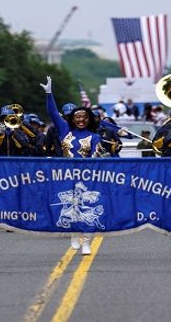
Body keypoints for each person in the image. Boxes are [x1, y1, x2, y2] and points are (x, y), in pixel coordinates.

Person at [41, 76, 105, 255]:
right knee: (69, 206)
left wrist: (90, 169)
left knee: (87, 207)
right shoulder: (65, 131)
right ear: (72, 119)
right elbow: (53, 113)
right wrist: (48, 93)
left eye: (84, 117)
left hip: (87, 175)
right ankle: (74, 236)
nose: (81, 120)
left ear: (89, 119)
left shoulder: (94, 137)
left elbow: (96, 155)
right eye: (77, 117)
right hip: (66, 173)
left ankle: (87, 242)